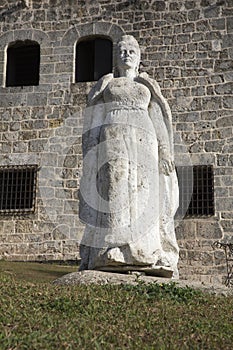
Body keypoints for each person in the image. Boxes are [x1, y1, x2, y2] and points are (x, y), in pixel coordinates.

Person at [79, 35, 179, 278]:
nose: (126, 54)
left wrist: (165, 150)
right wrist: (91, 149)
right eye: (122, 50)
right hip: (113, 135)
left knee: (144, 190)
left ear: (139, 56)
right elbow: (94, 116)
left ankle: (146, 250)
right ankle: (112, 249)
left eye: (131, 50)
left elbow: (158, 116)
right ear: (116, 56)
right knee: (115, 187)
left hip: (145, 137)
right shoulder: (107, 83)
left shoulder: (147, 85)